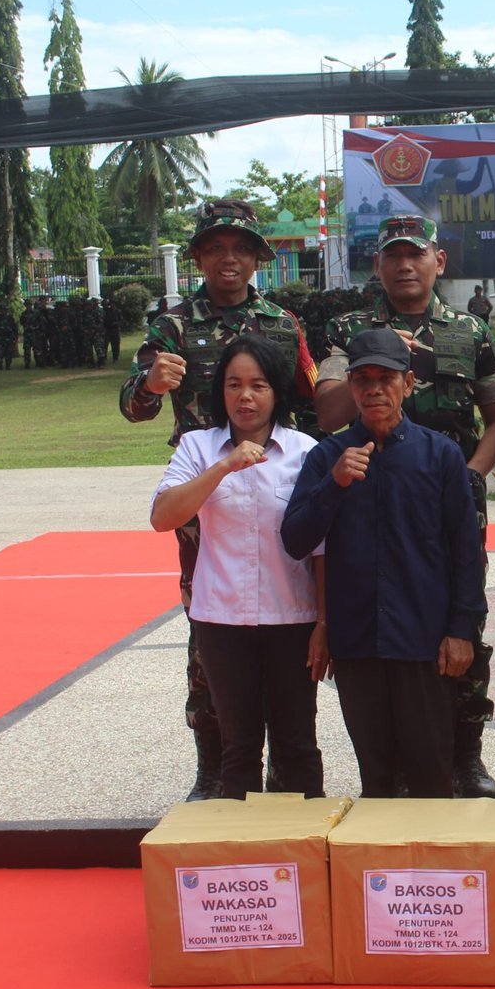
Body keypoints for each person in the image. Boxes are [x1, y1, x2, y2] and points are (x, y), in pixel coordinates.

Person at [118, 198, 318, 801]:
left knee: (288, 621)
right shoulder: (172, 326)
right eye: (215, 248)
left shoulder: (283, 324)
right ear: (199, 256)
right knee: (211, 635)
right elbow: (133, 405)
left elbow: (307, 406)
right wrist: (150, 385)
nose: (228, 259)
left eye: (240, 248)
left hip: (276, 480)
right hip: (206, 490)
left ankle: (287, 775)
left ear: (258, 256)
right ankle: (214, 768)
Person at [314, 215, 495, 798]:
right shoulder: (349, 327)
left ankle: (465, 756)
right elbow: (327, 414)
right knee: (383, 623)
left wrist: (471, 477)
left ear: (438, 261)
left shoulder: (468, 330)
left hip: (449, 499)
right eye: (392, 256)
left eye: (416, 254)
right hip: (370, 500)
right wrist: (373, 356)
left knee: (460, 624)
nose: (404, 265)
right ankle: (392, 762)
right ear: (377, 266)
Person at [282, 328, 485, 799]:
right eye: (363, 379)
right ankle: (382, 872)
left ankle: (433, 869)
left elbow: (466, 551)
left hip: (424, 641)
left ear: (408, 383)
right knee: (376, 777)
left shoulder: (441, 455)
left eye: (386, 378)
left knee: (432, 773)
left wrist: (462, 629)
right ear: (351, 386)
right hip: (357, 644)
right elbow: (295, 541)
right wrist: (333, 485)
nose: (374, 389)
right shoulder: (327, 455)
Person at [150, 335, 325, 799]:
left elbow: (324, 546)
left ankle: (303, 856)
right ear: (220, 392)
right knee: (239, 746)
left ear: (276, 392)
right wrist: (223, 467)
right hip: (221, 619)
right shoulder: (197, 447)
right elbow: (162, 516)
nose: (245, 396)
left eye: (258, 385)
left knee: (297, 745)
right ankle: (246, 863)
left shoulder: (306, 451)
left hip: (293, 617)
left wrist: (324, 623)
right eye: (233, 385)